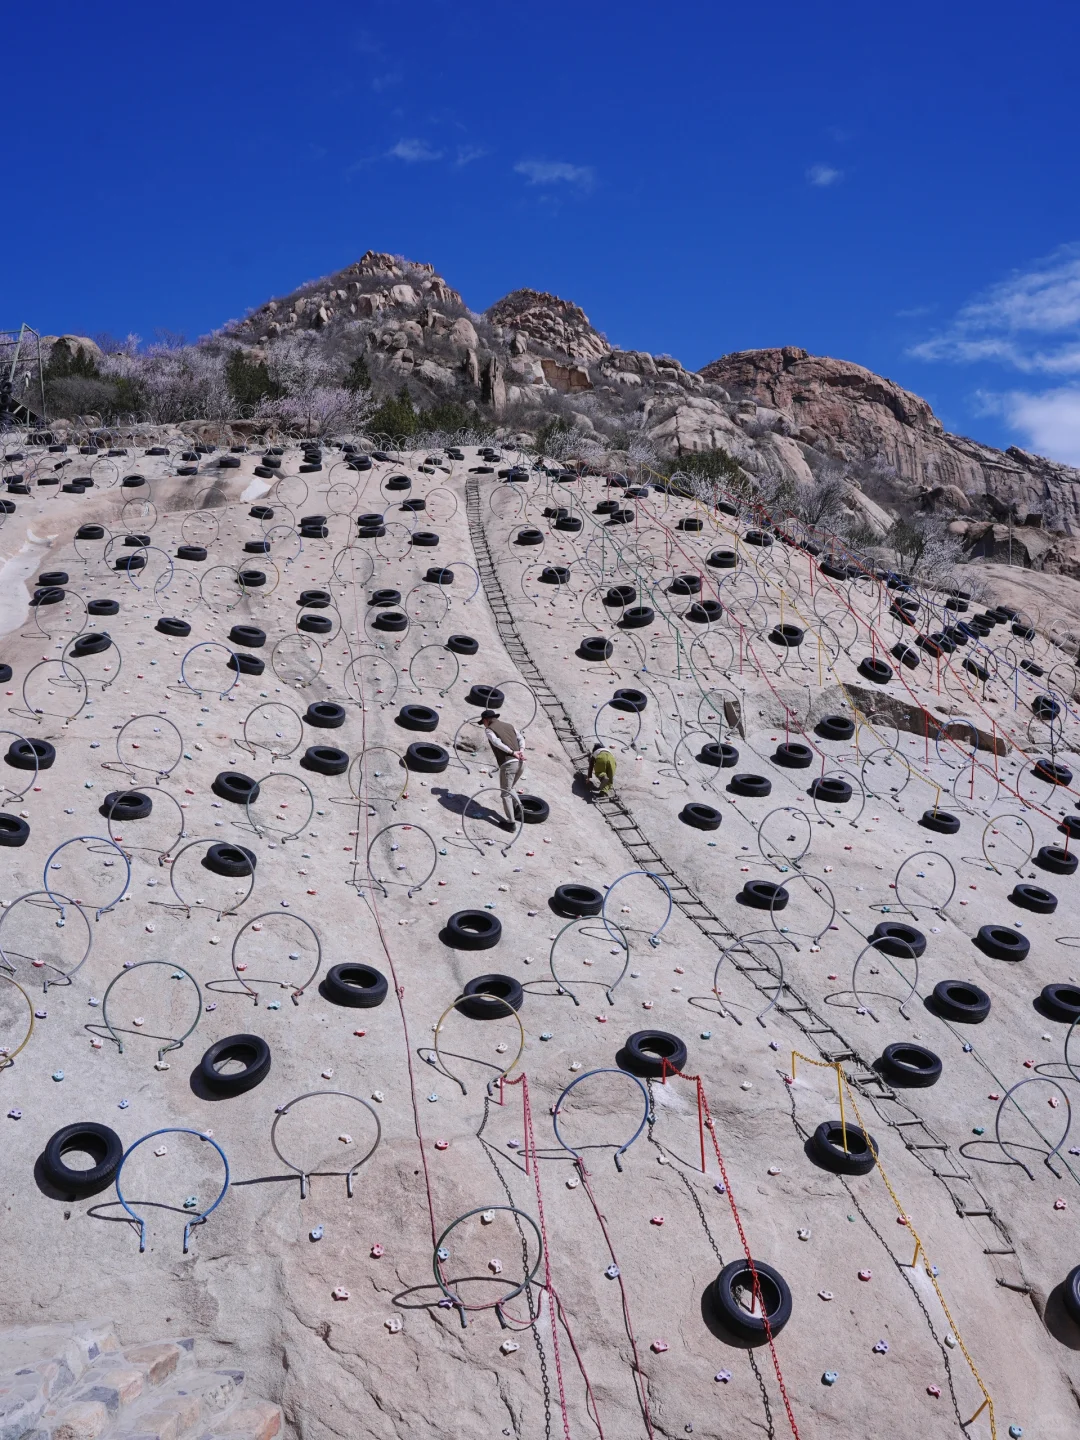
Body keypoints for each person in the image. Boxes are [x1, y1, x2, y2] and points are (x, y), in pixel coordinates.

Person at [479, 710, 525, 828]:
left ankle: (510, 823)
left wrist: (512, 752)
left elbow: (496, 742)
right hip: (520, 763)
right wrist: (521, 751)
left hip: (508, 763)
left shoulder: (489, 729)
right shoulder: (509, 726)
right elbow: (521, 738)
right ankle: (519, 808)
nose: (483, 724)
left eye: (483, 722)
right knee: (511, 788)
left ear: (486, 720)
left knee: (505, 793)